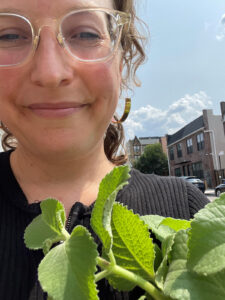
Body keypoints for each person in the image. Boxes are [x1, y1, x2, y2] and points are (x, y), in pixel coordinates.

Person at [0, 0, 209, 299]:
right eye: (9, 35)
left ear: (122, 61)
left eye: (85, 34)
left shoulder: (190, 216)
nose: (49, 72)